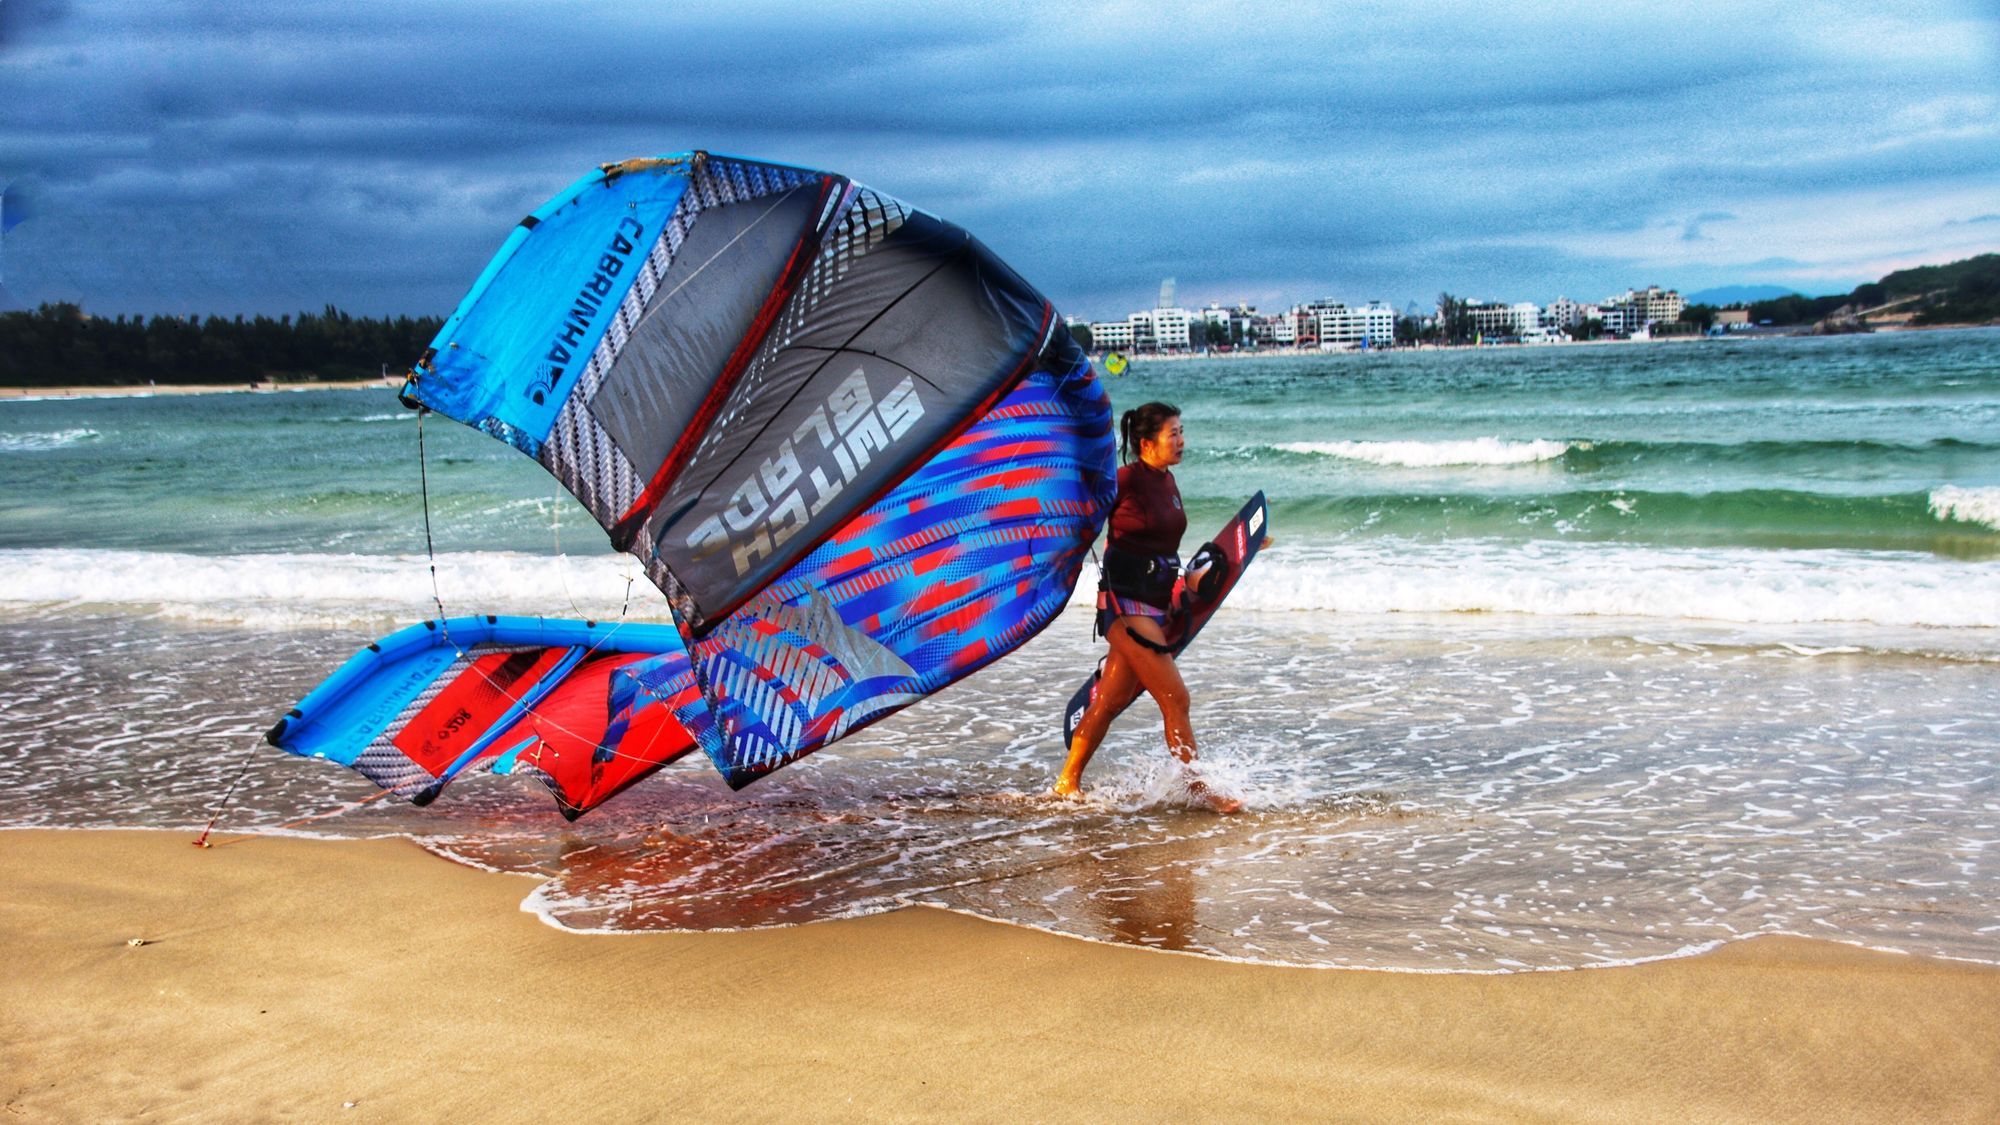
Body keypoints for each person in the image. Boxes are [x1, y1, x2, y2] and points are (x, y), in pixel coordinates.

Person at [1054, 401, 1241, 813]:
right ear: (1146, 443)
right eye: (1172, 433)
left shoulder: (1167, 482)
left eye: (1181, 431)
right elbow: (1080, 508)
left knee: (1109, 702)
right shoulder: (1125, 480)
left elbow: (1161, 545)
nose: (1180, 440)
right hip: (1125, 609)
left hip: (1156, 603)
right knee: (1176, 698)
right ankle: (1197, 788)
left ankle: (1067, 781)